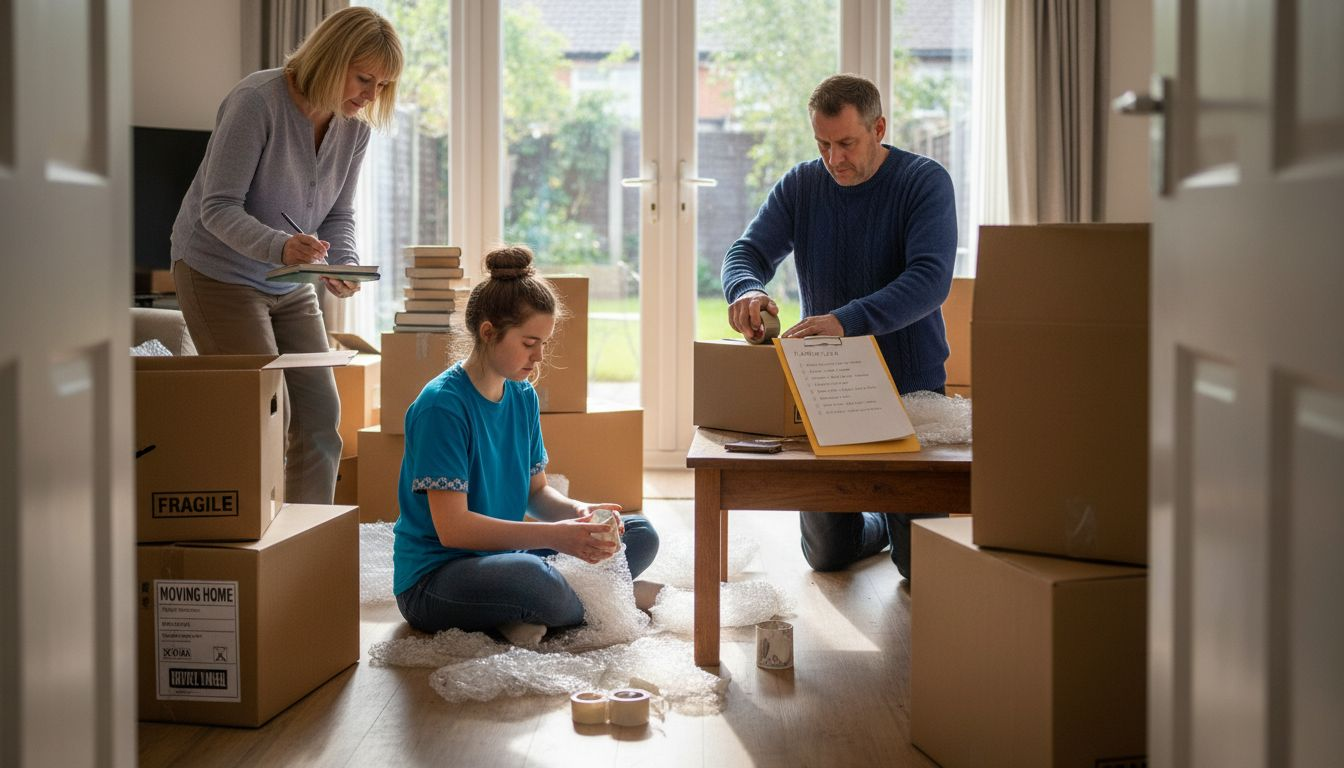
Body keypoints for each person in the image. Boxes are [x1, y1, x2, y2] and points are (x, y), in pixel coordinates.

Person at [721, 74, 957, 581]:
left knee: (923, 571)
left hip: (910, 388)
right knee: (826, 556)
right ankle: (882, 525)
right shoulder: (803, 184)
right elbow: (747, 252)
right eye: (823, 144)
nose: (834, 160)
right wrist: (745, 289)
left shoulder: (924, 181)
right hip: (829, 389)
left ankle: (903, 529)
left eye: (846, 143)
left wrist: (845, 321)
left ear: (879, 128)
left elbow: (930, 280)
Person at [170, 7, 402, 504]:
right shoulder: (258, 100)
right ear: (332, 57)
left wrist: (341, 263)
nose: (370, 95)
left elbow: (338, 214)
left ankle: (304, 542)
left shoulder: (354, 128)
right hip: (218, 273)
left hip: (289, 282)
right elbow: (217, 208)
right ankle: (254, 544)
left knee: (321, 416)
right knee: (266, 414)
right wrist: (280, 245)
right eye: (364, 78)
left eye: (382, 86)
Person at [392, 246, 661, 647]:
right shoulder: (441, 406)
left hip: (504, 558)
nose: (538, 357)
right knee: (533, 579)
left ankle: (531, 612)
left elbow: (536, 493)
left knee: (638, 531)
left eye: (544, 344)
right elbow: (453, 529)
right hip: (437, 578)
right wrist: (556, 537)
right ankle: (615, 598)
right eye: (529, 342)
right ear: (488, 332)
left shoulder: (522, 396)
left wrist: (580, 514)